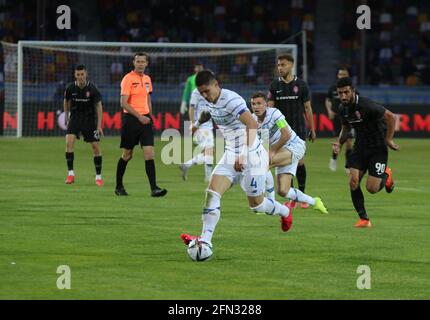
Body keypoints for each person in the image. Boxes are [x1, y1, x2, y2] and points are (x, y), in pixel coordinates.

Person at [180, 70, 295, 252]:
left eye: (206, 91)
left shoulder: (232, 100)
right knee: (212, 193)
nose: (204, 96)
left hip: (252, 155)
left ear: (216, 85)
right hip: (230, 154)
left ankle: (285, 212)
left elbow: (252, 124)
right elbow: (208, 113)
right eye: (201, 93)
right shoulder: (210, 100)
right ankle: (205, 240)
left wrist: (244, 154)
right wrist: (196, 125)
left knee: (256, 206)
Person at [332, 77, 398, 228]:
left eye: (346, 92)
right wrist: (339, 143)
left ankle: (386, 175)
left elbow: (391, 117)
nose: (343, 96)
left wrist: (389, 139)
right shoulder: (342, 109)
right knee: (353, 181)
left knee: (372, 189)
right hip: (360, 147)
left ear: (353, 91)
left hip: (378, 148)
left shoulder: (366, 105)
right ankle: (364, 219)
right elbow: (346, 129)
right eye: (340, 93)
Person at [251, 92, 328, 214]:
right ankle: (315, 201)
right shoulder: (253, 120)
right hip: (282, 151)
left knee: (263, 164)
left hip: (294, 146)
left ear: (266, 104)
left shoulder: (274, 113)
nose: (256, 107)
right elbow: (263, 142)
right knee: (283, 191)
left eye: (259, 103)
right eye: (253, 104)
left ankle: (270, 205)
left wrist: (272, 151)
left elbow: (286, 134)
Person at [115, 52, 167, 197]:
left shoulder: (147, 79)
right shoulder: (127, 79)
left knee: (149, 154)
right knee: (127, 154)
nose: (140, 64)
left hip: (145, 120)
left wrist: (150, 115)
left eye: (142, 61)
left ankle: (154, 188)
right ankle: (119, 186)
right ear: (133, 63)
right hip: (131, 119)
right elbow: (123, 103)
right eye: (138, 61)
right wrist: (139, 116)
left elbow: (147, 99)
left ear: (146, 63)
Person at [268, 54, 316, 209]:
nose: (280, 68)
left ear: (291, 65)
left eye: (283, 65)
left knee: (299, 161)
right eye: (279, 65)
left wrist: (312, 128)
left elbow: (308, 108)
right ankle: (292, 195)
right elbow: (270, 109)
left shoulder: (301, 85)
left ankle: (302, 195)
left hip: (299, 129)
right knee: (288, 162)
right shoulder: (275, 85)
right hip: (281, 132)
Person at [64, 65, 104, 186]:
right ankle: (70, 174)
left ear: (86, 74)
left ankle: (98, 177)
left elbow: (99, 106)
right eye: (78, 75)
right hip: (75, 118)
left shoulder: (92, 89)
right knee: (69, 143)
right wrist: (66, 117)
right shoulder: (70, 88)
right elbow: (66, 101)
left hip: (89, 120)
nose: (80, 77)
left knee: (96, 147)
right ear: (75, 75)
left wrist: (99, 125)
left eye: (82, 74)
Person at [179, 88, 214, 182]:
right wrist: (193, 124)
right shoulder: (196, 91)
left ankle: (186, 165)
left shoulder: (211, 91)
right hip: (201, 126)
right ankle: (208, 178)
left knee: (207, 152)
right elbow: (191, 108)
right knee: (209, 151)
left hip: (208, 126)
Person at [326, 67, 354, 172]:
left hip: (349, 118)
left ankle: (348, 164)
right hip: (337, 118)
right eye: (340, 74)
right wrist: (329, 111)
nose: (342, 76)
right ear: (337, 75)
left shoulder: (352, 88)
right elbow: (328, 100)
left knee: (350, 141)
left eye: (344, 74)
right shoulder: (333, 87)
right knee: (339, 141)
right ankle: (333, 159)